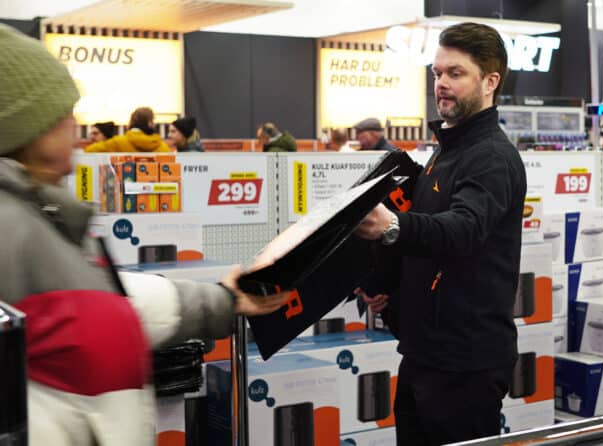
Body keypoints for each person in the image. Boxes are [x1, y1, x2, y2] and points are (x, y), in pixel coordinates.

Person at [0, 24, 289, 445]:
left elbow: (107, 301)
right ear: (28, 128)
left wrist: (222, 300)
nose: (74, 124)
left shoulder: (43, 212)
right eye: (62, 112)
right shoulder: (12, 225)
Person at [354, 22, 526, 445]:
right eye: (437, 73)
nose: (441, 84)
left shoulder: (492, 157)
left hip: (465, 362)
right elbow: (430, 242)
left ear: (490, 82)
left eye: (455, 73)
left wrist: (391, 225)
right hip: (425, 351)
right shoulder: (445, 152)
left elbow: (463, 229)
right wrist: (388, 288)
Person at [84, 106, 171, 153]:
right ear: (150, 123)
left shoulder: (118, 143)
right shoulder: (163, 147)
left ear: (131, 122)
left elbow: (88, 151)